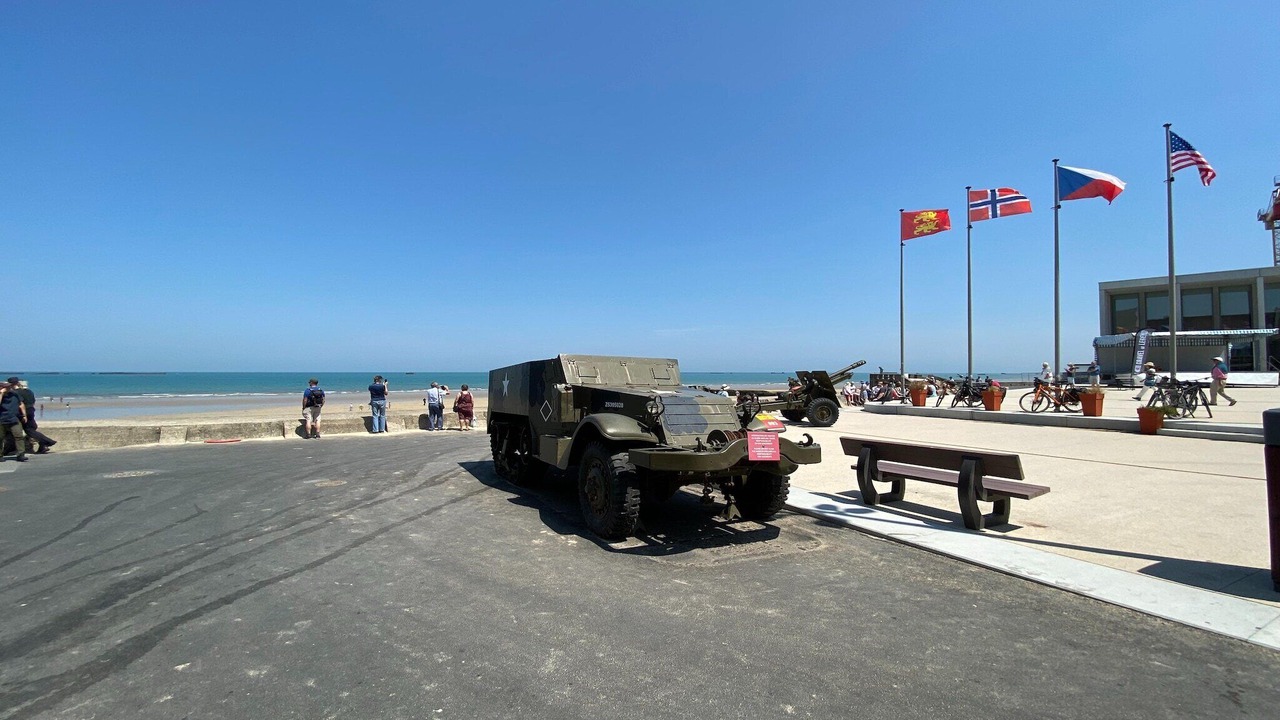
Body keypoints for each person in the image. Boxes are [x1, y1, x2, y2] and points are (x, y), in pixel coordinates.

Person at [13, 379, 55, 454]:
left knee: (29, 430)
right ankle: (43, 446)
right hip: (31, 410)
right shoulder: (29, 392)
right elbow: (33, 401)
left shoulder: (16, 393)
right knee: (31, 428)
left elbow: (19, 404)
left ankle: (48, 441)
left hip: (24, 412)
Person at [0, 381, 28, 462]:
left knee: (19, 436)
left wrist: (24, 414)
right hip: (2, 419)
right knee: (0, 438)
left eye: (9, 386)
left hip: (14, 419)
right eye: (7, 387)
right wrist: (1, 394)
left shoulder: (15, 394)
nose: (9, 388)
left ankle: (21, 454)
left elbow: (21, 404)